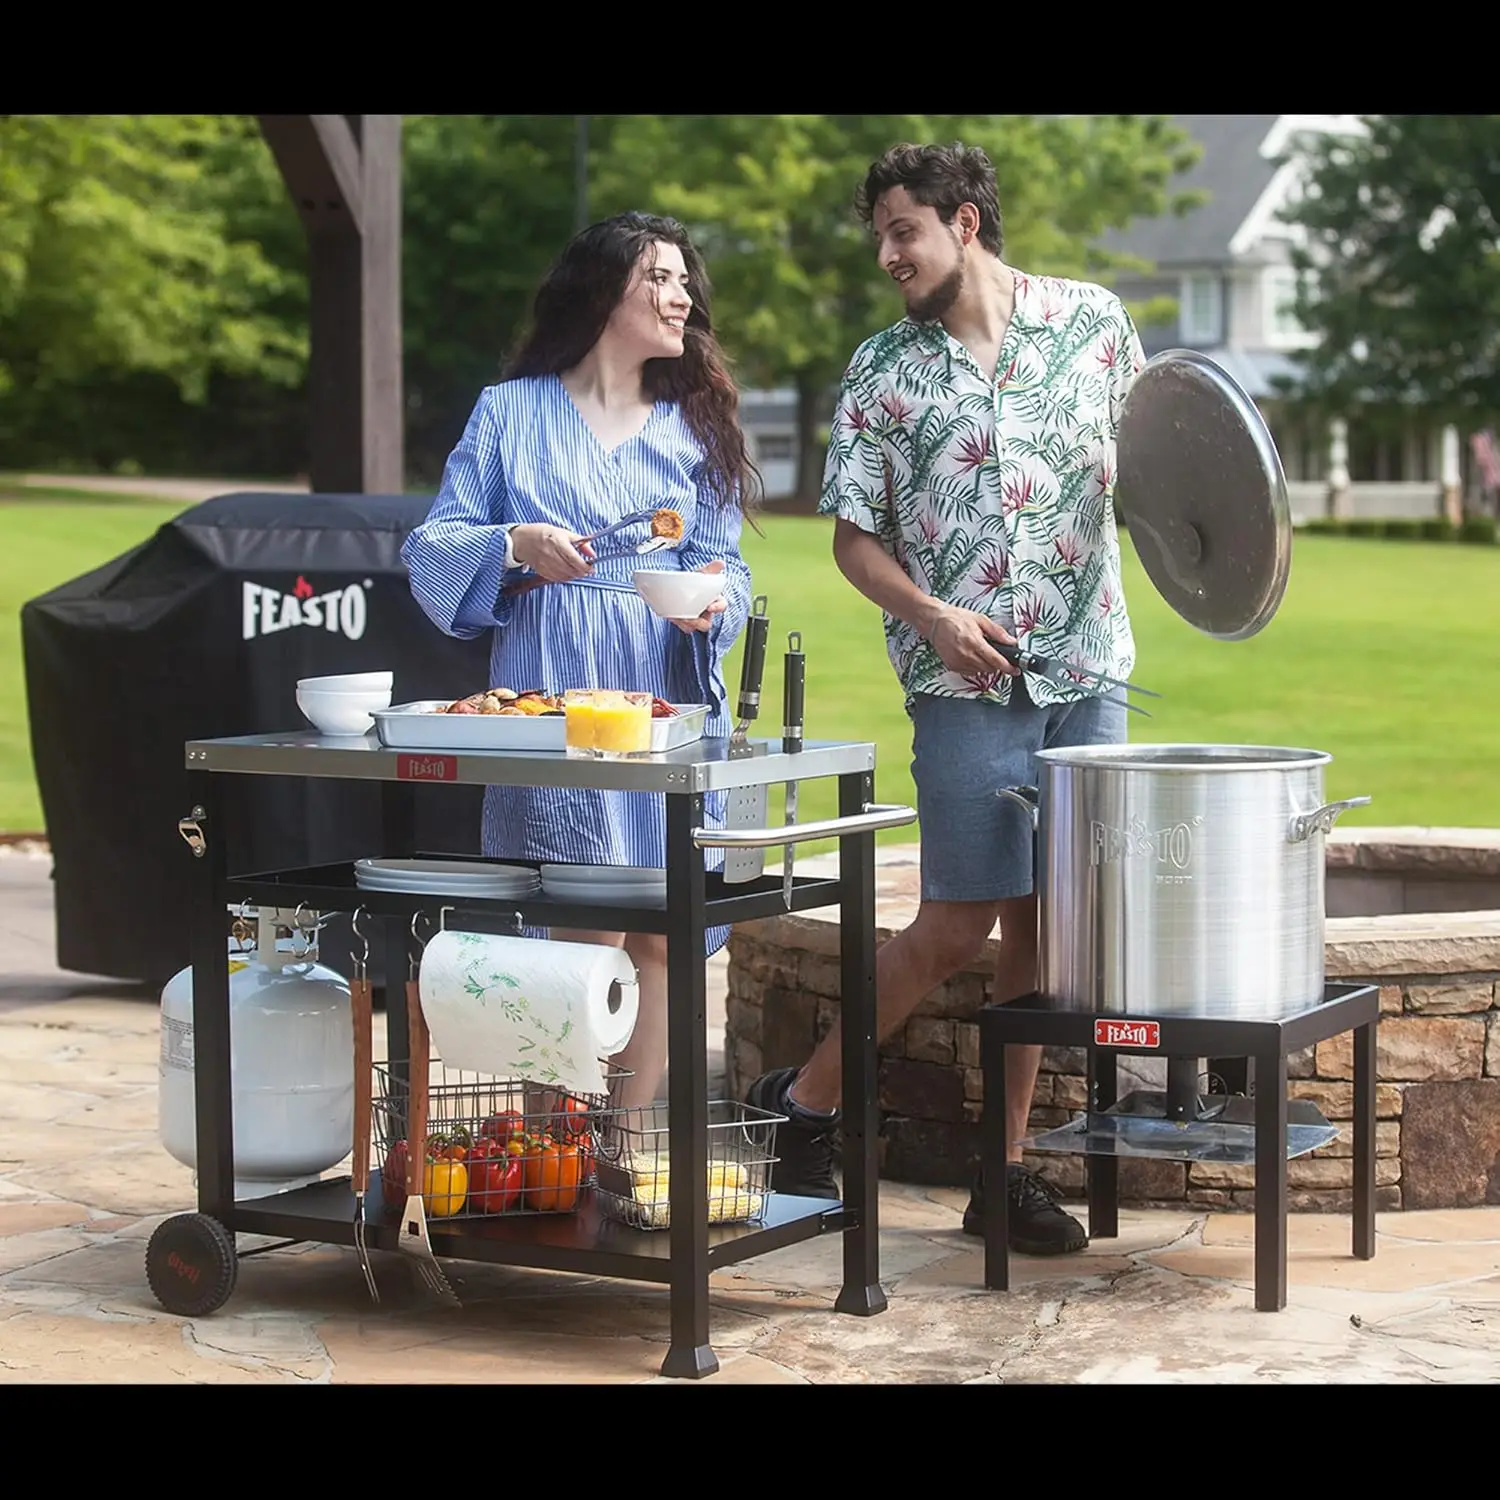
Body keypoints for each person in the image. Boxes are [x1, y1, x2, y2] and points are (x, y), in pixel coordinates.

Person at [742, 142, 1146, 1256]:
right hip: (961, 679)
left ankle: (1002, 1175)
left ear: (965, 223)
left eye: (901, 230)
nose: (886, 254)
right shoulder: (883, 370)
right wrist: (934, 617)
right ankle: (805, 1104)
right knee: (961, 918)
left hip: (1086, 666)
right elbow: (852, 542)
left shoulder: (1097, 328)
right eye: (879, 234)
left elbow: (1159, 472)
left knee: (1047, 927)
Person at [402, 211, 759, 1112]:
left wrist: (715, 603)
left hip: (660, 703)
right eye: (661, 279)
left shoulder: (694, 427)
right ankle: (551, 1143)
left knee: (665, 937)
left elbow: (727, 566)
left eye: (685, 282)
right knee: (574, 931)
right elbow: (433, 546)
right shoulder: (508, 413)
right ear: (604, 290)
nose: (682, 298)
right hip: (548, 704)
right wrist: (515, 544)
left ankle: (623, 1147)